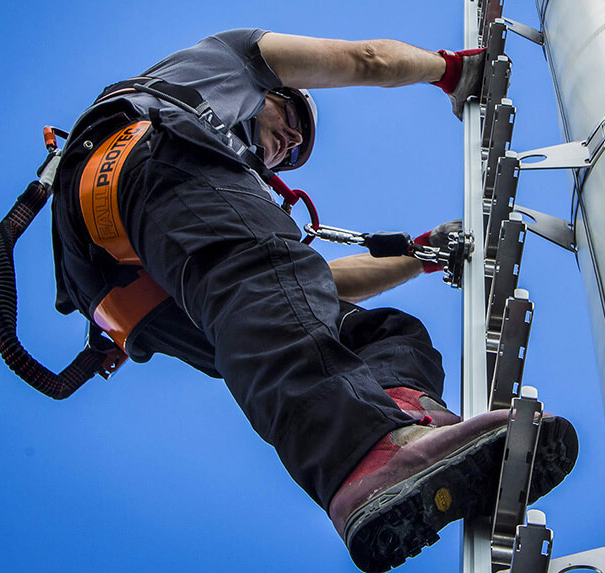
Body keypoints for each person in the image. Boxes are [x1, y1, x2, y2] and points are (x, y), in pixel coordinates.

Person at [49, 29, 577, 572]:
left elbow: (311, 290)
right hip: (138, 162)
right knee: (271, 289)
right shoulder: (230, 63)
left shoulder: (223, 202)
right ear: (274, 90)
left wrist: (421, 254)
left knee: (382, 331)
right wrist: (451, 71)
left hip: (133, 288)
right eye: (290, 123)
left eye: (295, 153)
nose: (289, 146)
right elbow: (366, 59)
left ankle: (410, 424)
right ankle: (366, 450)